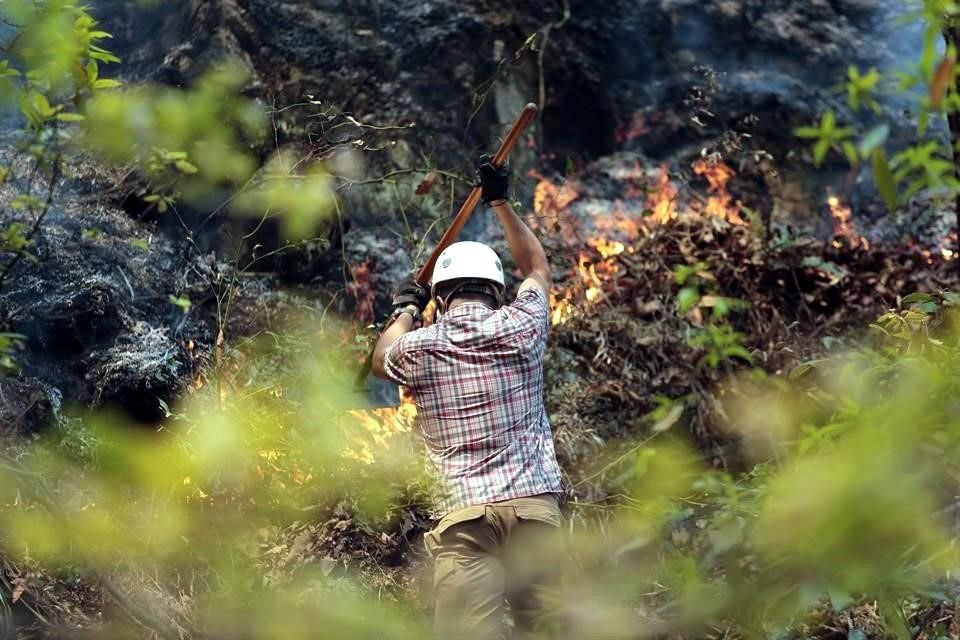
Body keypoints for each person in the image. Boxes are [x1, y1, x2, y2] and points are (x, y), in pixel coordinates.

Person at [371, 157, 565, 638]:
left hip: (465, 520)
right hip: (535, 514)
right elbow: (536, 266)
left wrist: (405, 310)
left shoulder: (422, 347)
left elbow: (382, 357)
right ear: (497, 292)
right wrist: (500, 201)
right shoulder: (523, 324)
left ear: (440, 297)